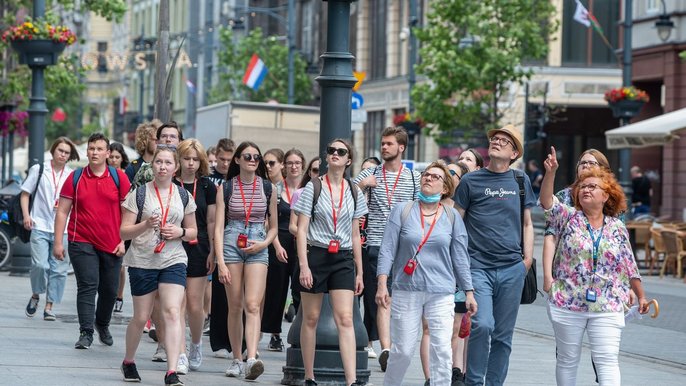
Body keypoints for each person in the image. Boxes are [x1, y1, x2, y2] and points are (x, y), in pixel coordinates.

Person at [540, 146, 650, 386]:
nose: (586, 190)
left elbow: (630, 265)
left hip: (608, 303)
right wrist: (551, 173)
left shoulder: (617, 227)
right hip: (568, 301)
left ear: (606, 196)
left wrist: (640, 296)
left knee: (607, 361)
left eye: (592, 187)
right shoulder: (569, 216)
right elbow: (547, 202)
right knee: (568, 360)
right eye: (583, 187)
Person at [376, 162, 476, 386]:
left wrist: (469, 292)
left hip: (441, 292)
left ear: (445, 188)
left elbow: (460, 257)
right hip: (406, 290)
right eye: (426, 175)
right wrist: (382, 283)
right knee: (402, 350)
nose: (428, 178)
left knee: (442, 349)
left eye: (435, 177)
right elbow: (388, 249)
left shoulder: (452, 217)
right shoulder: (403, 210)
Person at [454, 124, 536, 386]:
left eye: (504, 141)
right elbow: (457, 223)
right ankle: (474, 382)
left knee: (503, 335)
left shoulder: (520, 180)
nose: (497, 142)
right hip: (478, 267)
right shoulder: (470, 181)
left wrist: (527, 261)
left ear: (514, 153)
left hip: (512, 268)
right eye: (495, 139)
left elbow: (527, 223)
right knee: (483, 325)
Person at [119, 145, 198, 386]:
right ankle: (129, 361)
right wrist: (144, 225)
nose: (162, 166)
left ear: (176, 168)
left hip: (173, 259)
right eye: (158, 162)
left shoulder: (184, 196)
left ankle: (171, 371)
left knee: (173, 312)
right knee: (141, 317)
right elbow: (123, 231)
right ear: (152, 166)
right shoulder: (139, 194)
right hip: (143, 259)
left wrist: (180, 231)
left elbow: (193, 230)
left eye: (167, 163)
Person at [293, 139, 368, 386]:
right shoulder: (312, 188)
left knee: (345, 318)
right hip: (317, 254)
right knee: (311, 317)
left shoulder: (355, 191)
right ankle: (309, 375)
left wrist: (359, 272)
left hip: (343, 257)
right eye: (331, 151)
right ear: (326, 157)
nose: (335, 154)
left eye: (341, 152)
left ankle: (351, 380)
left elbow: (356, 234)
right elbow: (302, 230)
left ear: (349, 160)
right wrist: (304, 266)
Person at [53, 133, 131, 349]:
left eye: (99, 149)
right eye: (91, 148)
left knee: (109, 289)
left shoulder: (119, 178)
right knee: (87, 286)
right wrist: (58, 242)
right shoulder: (75, 178)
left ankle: (102, 324)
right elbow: (62, 212)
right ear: (87, 151)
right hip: (81, 240)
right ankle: (85, 332)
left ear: (108, 153)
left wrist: (124, 241)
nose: (94, 152)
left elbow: (129, 212)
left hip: (112, 243)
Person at [353, 126, 421, 368]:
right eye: (382, 143)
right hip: (376, 245)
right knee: (382, 298)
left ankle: (395, 345)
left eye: (389, 144)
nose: (384, 147)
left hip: (404, 248)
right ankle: (386, 350)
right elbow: (345, 194)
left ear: (401, 147)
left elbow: (421, 211)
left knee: (401, 300)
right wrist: (363, 186)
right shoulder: (370, 173)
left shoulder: (413, 177)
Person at [214, 141, 278, 380]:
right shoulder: (226, 188)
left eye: (256, 157)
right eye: (247, 156)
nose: (252, 160)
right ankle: (237, 359)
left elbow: (273, 227)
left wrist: (265, 243)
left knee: (252, 304)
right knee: (235, 305)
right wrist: (220, 261)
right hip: (232, 241)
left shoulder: (269, 188)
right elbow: (219, 227)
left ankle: (252, 358)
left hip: (258, 243)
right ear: (238, 160)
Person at [419, 161, 471, 386]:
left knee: (453, 329)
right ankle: (431, 378)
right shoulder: (422, 207)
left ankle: (447, 373)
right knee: (429, 328)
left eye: (451, 173)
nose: (433, 178)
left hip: (454, 279)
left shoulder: (461, 210)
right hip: (428, 277)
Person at [22, 137, 80, 321]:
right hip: (39, 224)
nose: (63, 154)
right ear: (53, 151)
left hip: (62, 229)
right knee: (40, 265)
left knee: (59, 269)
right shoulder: (39, 170)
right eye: (60, 150)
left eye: (66, 152)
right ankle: (36, 294)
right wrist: (26, 216)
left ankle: (49, 306)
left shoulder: (71, 175)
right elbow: (25, 194)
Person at [173, 139, 217, 371]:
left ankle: (196, 344)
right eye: (186, 158)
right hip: (173, 247)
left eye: (195, 159)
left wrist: (213, 251)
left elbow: (211, 221)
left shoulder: (208, 186)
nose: (190, 163)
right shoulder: (171, 183)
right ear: (179, 160)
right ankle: (179, 352)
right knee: (176, 304)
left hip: (199, 248)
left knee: (194, 305)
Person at [262, 148, 305, 352]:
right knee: (276, 290)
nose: (293, 166)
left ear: (302, 166)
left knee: (299, 289)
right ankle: (274, 334)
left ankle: (299, 331)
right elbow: (268, 221)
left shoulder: (308, 190)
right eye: (289, 163)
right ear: (284, 166)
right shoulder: (275, 189)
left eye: (297, 163)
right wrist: (277, 245)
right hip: (278, 240)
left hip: (301, 244)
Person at [207, 137, 236, 359]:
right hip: (214, 237)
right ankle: (218, 341)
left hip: (236, 240)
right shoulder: (209, 180)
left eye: (229, 159)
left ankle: (237, 340)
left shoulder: (238, 180)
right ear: (215, 157)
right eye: (222, 159)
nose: (225, 163)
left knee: (237, 295)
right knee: (219, 294)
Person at [286, 157, 320, 323]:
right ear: (309, 172)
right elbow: (292, 225)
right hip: (304, 248)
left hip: (324, 250)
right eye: (314, 170)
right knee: (301, 291)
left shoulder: (334, 193)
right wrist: (304, 234)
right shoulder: (300, 193)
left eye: (320, 170)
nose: (317, 174)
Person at [110, 142, 131, 314]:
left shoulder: (125, 176)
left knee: (121, 265)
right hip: (109, 222)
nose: (114, 160)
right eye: (112, 156)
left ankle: (119, 295)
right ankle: (107, 293)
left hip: (123, 222)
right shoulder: (104, 174)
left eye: (117, 157)